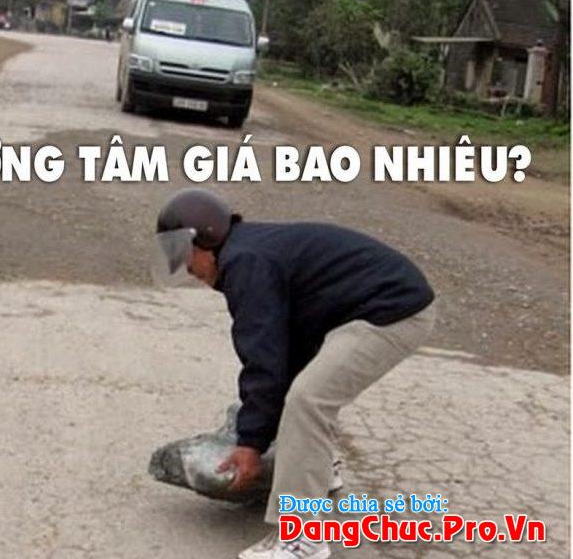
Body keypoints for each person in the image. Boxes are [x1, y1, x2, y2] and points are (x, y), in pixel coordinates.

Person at [155, 188, 436, 559]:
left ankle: (303, 538)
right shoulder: (248, 252)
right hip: (366, 308)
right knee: (301, 390)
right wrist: (259, 433)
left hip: (392, 312)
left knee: (308, 399)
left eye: (184, 255)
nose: (186, 269)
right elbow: (283, 353)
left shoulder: (245, 262)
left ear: (205, 240)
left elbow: (263, 360)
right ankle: (317, 469)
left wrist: (251, 445)